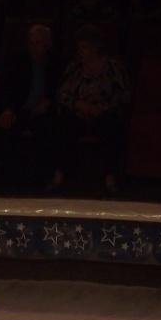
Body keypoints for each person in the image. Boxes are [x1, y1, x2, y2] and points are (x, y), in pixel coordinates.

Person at [49, 25, 130, 195]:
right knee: (64, 126)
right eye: (79, 47)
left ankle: (110, 177)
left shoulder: (112, 67)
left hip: (104, 112)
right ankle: (59, 175)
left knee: (112, 126)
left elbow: (122, 94)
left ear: (96, 47)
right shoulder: (74, 67)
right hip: (78, 112)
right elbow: (62, 93)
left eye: (84, 47)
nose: (81, 51)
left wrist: (101, 107)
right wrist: (78, 105)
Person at [0, 23, 59, 189]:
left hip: (44, 112)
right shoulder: (17, 61)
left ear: (47, 44)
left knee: (48, 130)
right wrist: (8, 109)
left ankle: (41, 180)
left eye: (38, 42)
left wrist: (49, 101)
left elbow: (60, 89)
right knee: (5, 127)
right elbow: (7, 87)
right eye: (31, 43)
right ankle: (7, 180)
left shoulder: (55, 63)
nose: (34, 47)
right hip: (19, 110)